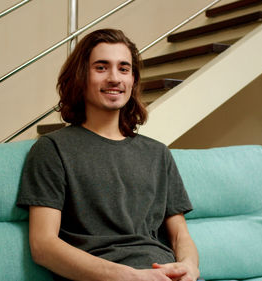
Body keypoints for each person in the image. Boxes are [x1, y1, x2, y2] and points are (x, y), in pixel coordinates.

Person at [16, 28, 200, 281]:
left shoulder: (158, 153)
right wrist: (132, 277)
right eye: (101, 67)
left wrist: (189, 267)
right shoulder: (52, 149)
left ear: (133, 80)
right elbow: (43, 246)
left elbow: (180, 235)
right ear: (81, 77)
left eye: (124, 69)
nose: (115, 78)